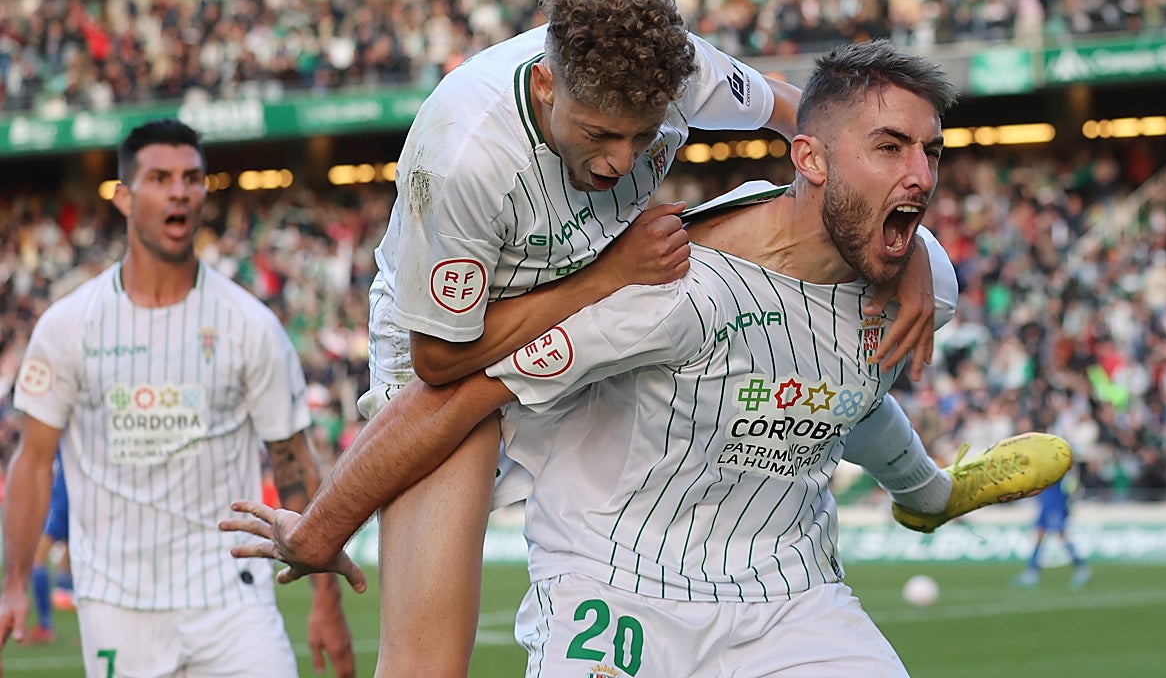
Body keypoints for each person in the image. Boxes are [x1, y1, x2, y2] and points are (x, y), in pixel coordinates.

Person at [225, 40, 1072, 676]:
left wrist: (928, 485)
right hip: (613, 583)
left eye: (930, 153)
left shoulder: (916, 280)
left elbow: (836, 392)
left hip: (791, 599)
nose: (921, 175)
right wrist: (322, 527)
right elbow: (451, 381)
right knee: (424, 666)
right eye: (891, 149)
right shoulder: (489, 172)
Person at [348, 0, 954, 675]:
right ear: (547, 85)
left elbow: (821, 128)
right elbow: (443, 365)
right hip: (459, 336)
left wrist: (900, 247)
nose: (619, 163)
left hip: (610, 289)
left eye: (642, 136)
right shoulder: (463, 154)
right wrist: (607, 275)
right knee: (427, 663)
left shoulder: (681, 65)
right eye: (599, 133)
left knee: (789, 364)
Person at [0, 120, 355, 677]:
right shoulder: (68, 326)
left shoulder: (250, 325)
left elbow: (294, 467)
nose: (179, 191)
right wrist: (15, 583)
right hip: (118, 607)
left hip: (232, 602)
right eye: (159, 178)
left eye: (191, 178)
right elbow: (33, 462)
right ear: (123, 196)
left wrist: (326, 602)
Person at [24, 449, 74, 645]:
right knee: (72, 564)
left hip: (63, 497)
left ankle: (45, 626)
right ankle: (96, 631)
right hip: (74, 495)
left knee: (37, 558)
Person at [1013, 474, 1091, 588]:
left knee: (1061, 536)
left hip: (1055, 503)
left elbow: (1068, 483)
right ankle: (1032, 573)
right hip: (1045, 503)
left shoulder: (1057, 465)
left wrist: (1066, 502)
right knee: (1040, 537)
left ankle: (1081, 569)